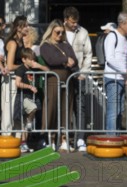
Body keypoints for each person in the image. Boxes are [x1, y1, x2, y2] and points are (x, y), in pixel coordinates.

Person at [40, 19, 79, 149]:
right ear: (51, 31)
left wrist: (69, 62)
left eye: (62, 32)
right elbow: (51, 60)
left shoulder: (66, 45)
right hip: (53, 80)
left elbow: (75, 60)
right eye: (57, 32)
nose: (60, 35)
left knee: (66, 109)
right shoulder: (45, 45)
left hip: (68, 81)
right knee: (51, 109)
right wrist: (65, 60)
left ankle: (64, 140)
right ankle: (50, 140)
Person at [63, 6, 93, 150]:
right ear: (65, 20)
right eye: (72, 22)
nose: (75, 25)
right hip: (63, 75)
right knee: (64, 106)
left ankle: (80, 139)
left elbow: (88, 54)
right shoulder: (58, 30)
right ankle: (64, 138)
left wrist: (84, 73)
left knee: (80, 106)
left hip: (78, 74)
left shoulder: (83, 32)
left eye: (76, 22)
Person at [104, 12, 127, 136]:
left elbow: (125, 57)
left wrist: (126, 75)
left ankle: (115, 136)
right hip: (112, 78)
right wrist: (125, 71)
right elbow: (110, 59)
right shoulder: (112, 36)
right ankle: (111, 138)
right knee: (113, 111)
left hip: (121, 79)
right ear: (122, 24)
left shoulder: (125, 38)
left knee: (119, 110)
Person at [14, 48, 49, 152]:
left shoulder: (35, 68)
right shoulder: (21, 69)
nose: (32, 61)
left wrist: (39, 66)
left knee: (25, 121)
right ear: (24, 59)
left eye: (33, 59)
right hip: (23, 96)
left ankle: (24, 143)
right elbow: (17, 83)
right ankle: (28, 126)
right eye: (30, 59)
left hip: (34, 97)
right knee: (31, 111)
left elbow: (48, 70)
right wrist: (29, 87)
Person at [1, 16, 29, 134]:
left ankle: (18, 140)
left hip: (18, 79)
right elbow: (10, 66)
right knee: (8, 111)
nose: (28, 28)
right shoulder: (13, 43)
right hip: (10, 80)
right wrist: (25, 66)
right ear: (18, 27)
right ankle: (6, 138)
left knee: (17, 111)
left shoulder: (21, 41)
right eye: (26, 26)